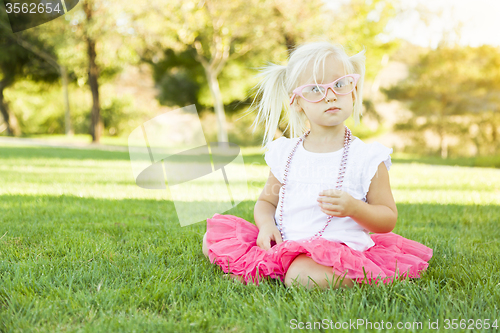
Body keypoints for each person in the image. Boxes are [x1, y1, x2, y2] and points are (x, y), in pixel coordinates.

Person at [201, 41, 433, 289]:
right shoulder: (286, 152)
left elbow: (387, 219)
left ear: (353, 92)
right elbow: (266, 202)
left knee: (301, 275)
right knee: (212, 238)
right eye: (315, 89)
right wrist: (266, 226)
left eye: (340, 84)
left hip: (337, 251)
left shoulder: (366, 158)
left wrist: (354, 208)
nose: (331, 95)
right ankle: (276, 267)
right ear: (297, 102)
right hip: (285, 242)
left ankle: (344, 274)